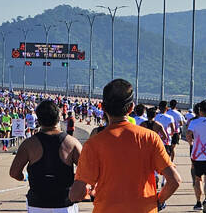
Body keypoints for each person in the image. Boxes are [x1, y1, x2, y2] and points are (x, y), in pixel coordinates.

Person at [69, 79, 181, 212]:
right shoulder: (150, 138)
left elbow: (76, 193)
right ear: (131, 107)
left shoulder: (93, 144)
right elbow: (174, 180)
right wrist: (158, 200)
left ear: (103, 107)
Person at [10, 100, 83, 213]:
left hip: (38, 203)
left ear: (38, 120)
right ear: (58, 119)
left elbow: (14, 172)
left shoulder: (29, 144)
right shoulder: (72, 143)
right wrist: (74, 180)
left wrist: (24, 177)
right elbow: (87, 171)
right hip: (64, 203)